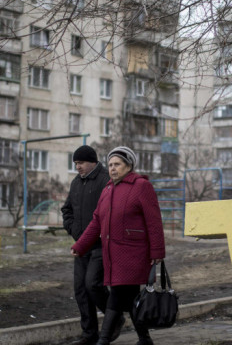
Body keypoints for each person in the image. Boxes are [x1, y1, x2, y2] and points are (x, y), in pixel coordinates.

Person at [71, 146, 165, 345]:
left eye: (118, 164)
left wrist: (157, 250)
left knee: (117, 294)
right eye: (111, 164)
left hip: (134, 253)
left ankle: (103, 340)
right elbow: (96, 221)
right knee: (129, 297)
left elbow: (154, 221)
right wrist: (80, 246)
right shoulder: (107, 189)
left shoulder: (141, 186)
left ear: (129, 165)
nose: (113, 168)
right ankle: (144, 338)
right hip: (113, 254)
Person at [62, 145, 120, 345]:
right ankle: (89, 335)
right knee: (81, 290)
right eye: (76, 163)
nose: (78, 167)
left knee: (93, 285)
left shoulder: (106, 180)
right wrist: (73, 230)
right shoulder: (76, 183)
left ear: (93, 162)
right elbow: (66, 209)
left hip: (100, 245)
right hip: (81, 246)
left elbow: (112, 212)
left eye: (81, 163)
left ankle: (114, 319)